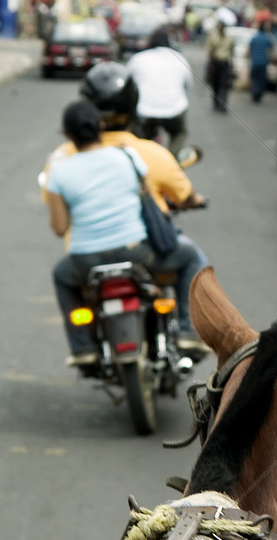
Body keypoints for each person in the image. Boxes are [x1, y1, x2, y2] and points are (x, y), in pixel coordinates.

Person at [43, 64, 209, 348]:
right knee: (192, 257)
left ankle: (83, 347)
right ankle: (185, 329)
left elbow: (59, 226)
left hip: (84, 263)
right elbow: (181, 195)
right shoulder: (132, 157)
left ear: (67, 133)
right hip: (137, 254)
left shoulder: (58, 164)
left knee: (61, 275)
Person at [126, 27, 191, 155]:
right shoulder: (179, 58)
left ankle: (141, 159)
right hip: (174, 110)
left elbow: (127, 84)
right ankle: (173, 160)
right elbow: (187, 86)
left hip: (144, 111)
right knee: (179, 132)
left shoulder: (138, 58)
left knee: (138, 137)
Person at [205, 19, 235, 113]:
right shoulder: (213, 37)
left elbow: (231, 52)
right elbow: (209, 51)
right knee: (215, 84)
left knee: (224, 85)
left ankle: (222, 104)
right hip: (215, 62)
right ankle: (216, 103)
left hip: (224, 62)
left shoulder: (229, 38)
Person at [248, 20, 277, 103]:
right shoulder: (267, 38)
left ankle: (255, 93)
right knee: (261, 79)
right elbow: (272, 48)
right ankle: (258, 94)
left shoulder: (254, 38)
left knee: (254, 78)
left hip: (255, 62)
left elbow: (249, 50)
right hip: (263, 62)